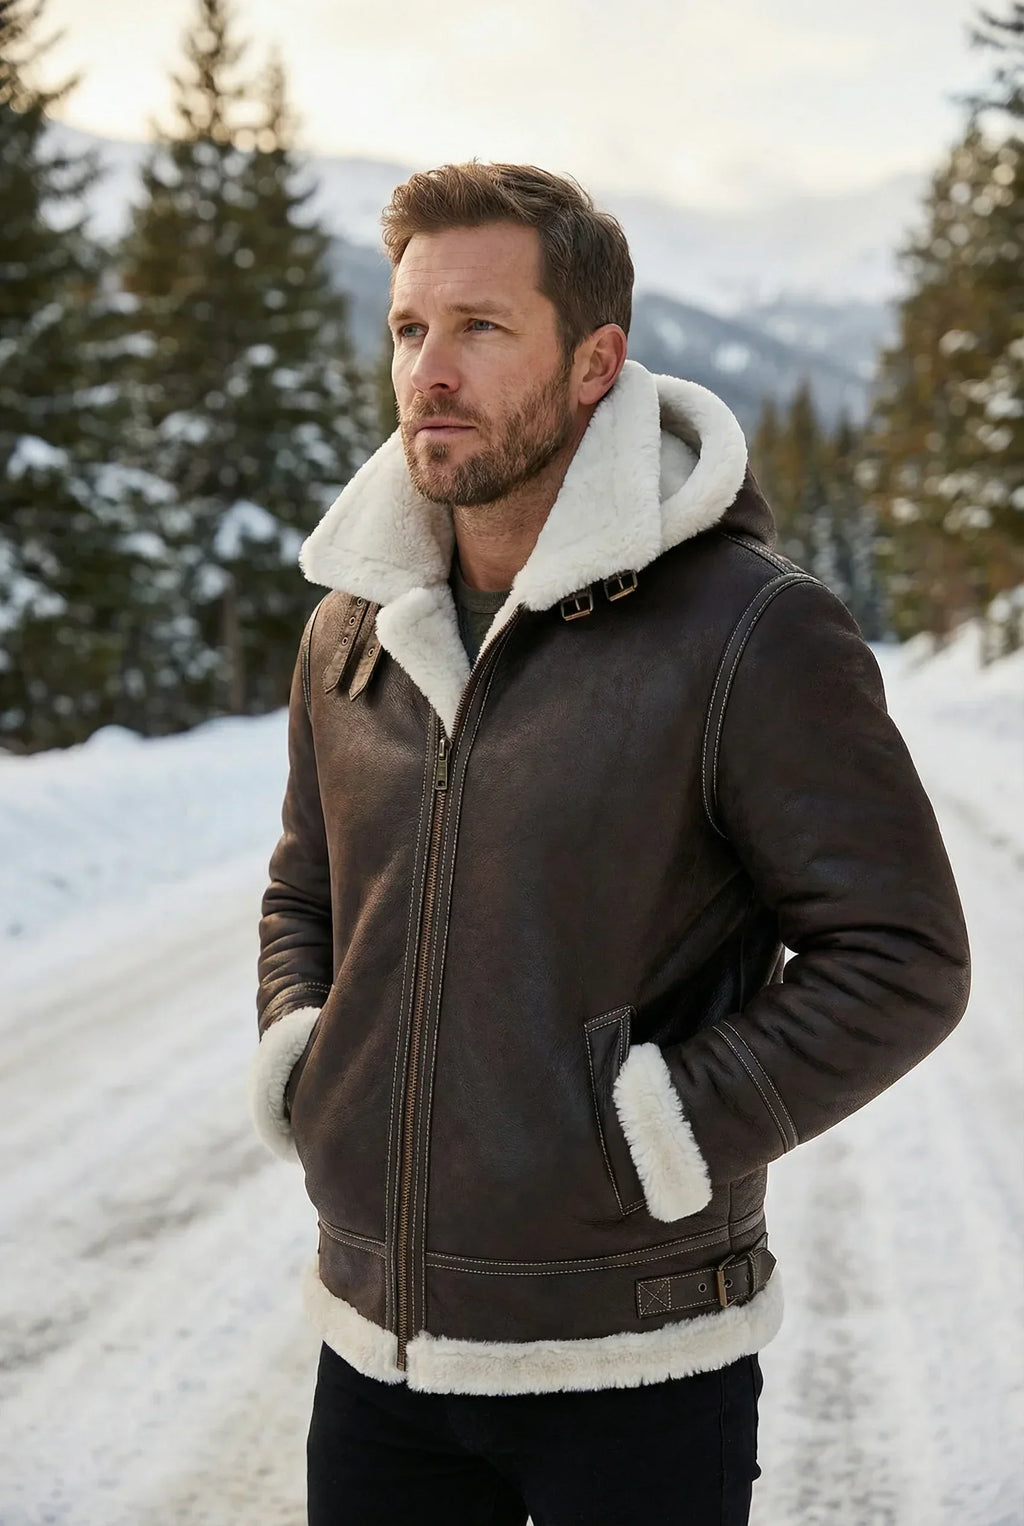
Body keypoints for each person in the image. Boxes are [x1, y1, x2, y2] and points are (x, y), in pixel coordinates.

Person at [247, 162, 970, 1525]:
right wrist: (304, 1050)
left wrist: (668, 1126)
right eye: (410, 329)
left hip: (637, 1363)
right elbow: (305, 886)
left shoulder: (747, 630)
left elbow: (905, 954)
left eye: (481, 327)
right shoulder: (355, 627)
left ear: (596, 362)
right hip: (378, 1354)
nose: (431, 370)